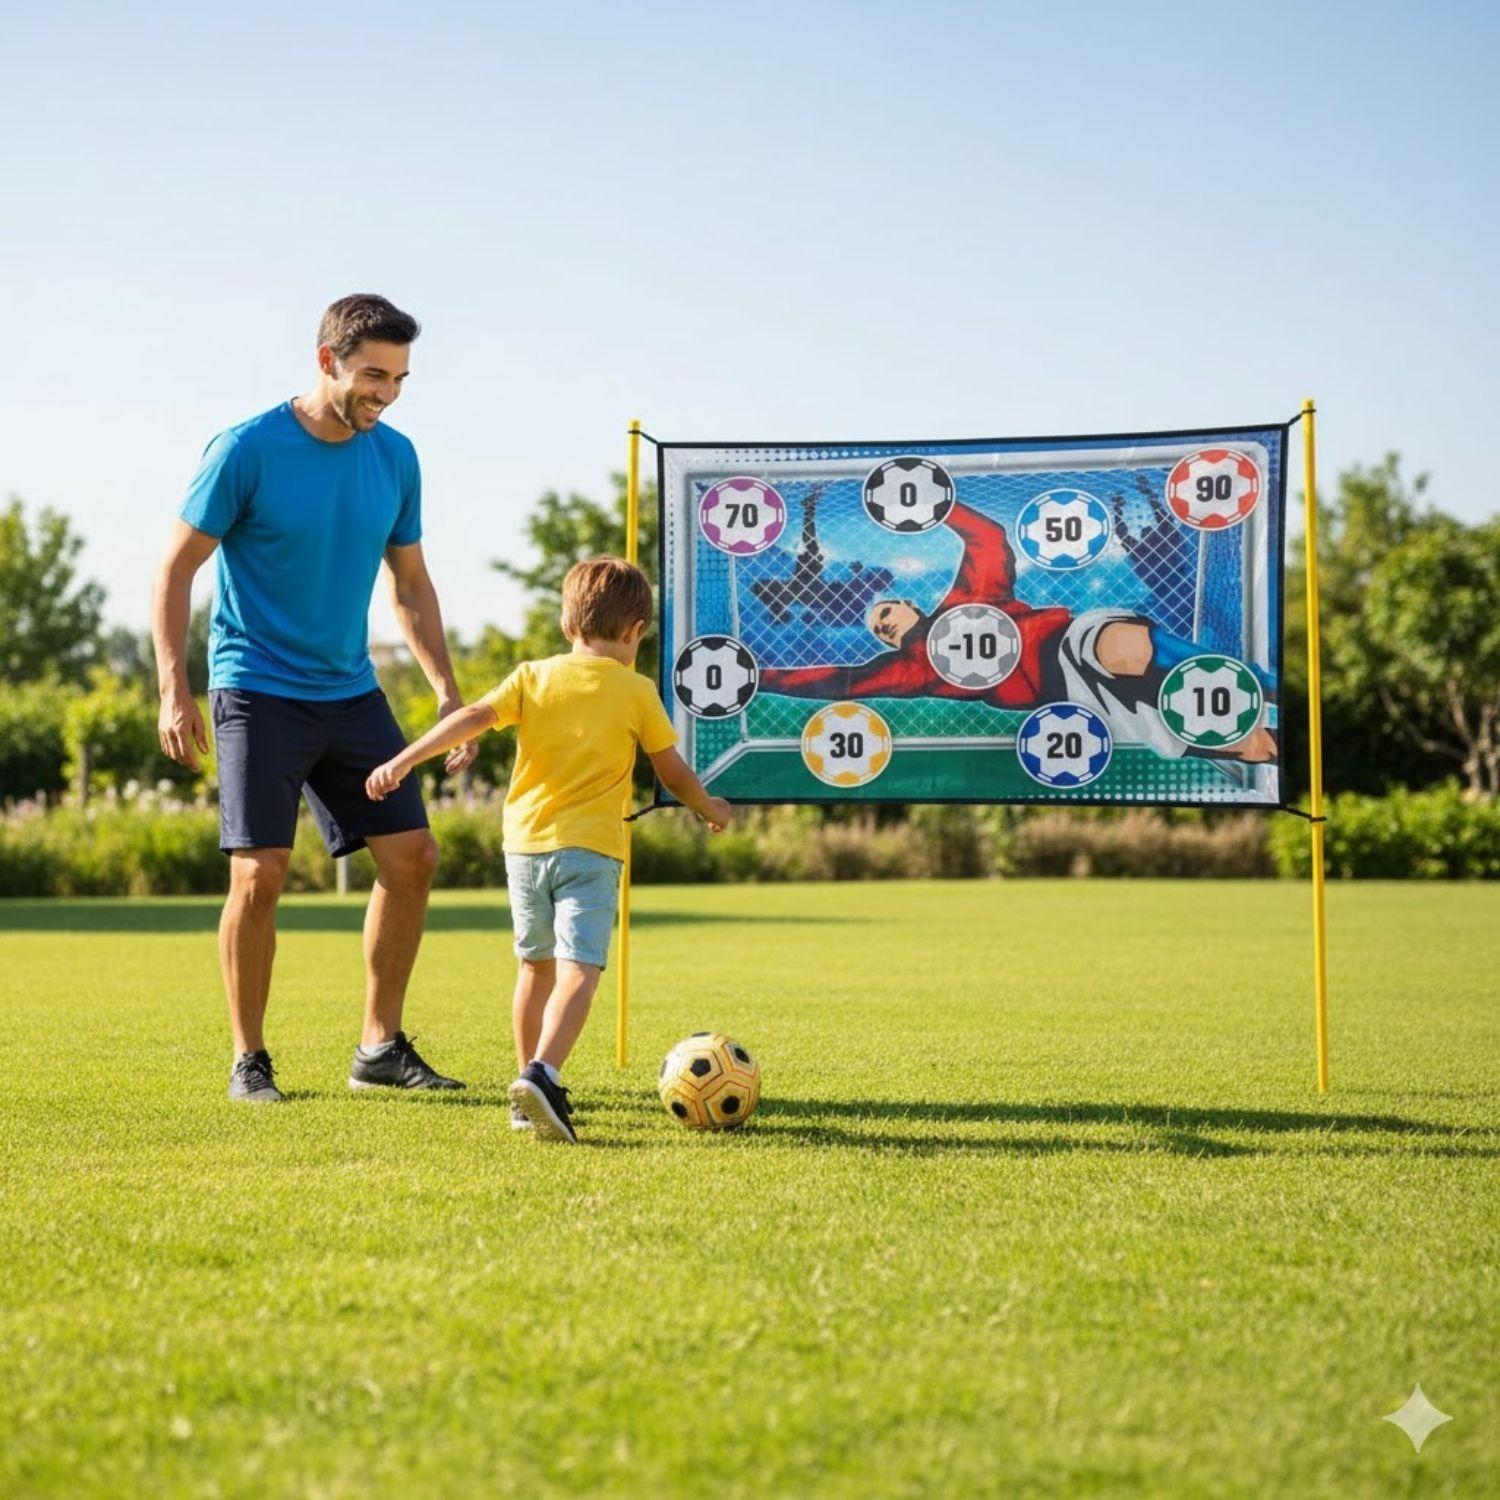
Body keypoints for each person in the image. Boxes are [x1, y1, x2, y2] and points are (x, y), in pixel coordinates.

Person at [153, 293, 474, 1103]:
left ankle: (379, 1047)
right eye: (374, 375)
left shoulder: (396, 458)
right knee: (259, 876)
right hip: (256, 688)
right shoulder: (246, 449)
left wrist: (445, 690)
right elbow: (175, 569)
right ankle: (249, 1060)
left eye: (400, 379)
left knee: (414, 858)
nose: (387, 394)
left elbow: (410, 584)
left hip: (350, 690)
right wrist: (173, 689)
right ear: (326, 360)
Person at [365, 557, 731, 1143]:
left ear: (567, 624)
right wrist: (711, 809)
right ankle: (544, 1074)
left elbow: (473, 719)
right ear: (637, 630)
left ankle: (524, 1091)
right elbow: (674, 773)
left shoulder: (532, 676)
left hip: (525, 850)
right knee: (579, 971)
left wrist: (404, 759)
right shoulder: (636, 690)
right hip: (589, 851)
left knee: (533, 969)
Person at [758, 500, 1275, 764]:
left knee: (1121, 645)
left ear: (910, 604)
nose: (884, 626)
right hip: (1068, 700)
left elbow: (988, 538)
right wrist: (759, 676)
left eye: (887, 614)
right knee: (1249, 746)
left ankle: (1262, 683)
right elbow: (836, 680)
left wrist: (939, 508)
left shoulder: (970, 599)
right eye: (878, 630)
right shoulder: (909, 671)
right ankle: (1273, 741)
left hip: (1072, 643)